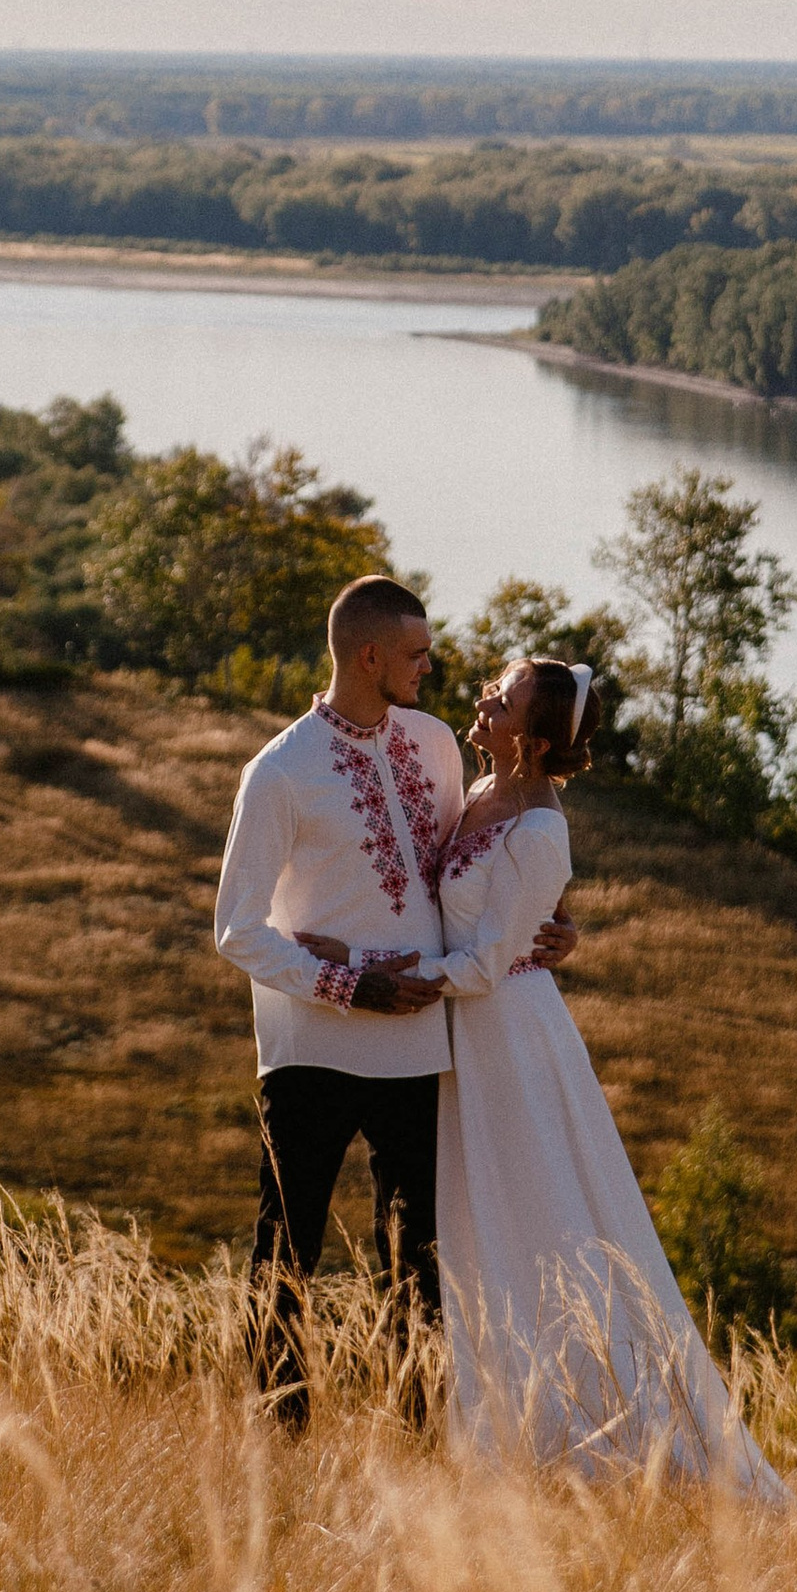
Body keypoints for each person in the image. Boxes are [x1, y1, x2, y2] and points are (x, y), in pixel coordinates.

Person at [212, 573, 576, 1428]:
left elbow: (474, 867)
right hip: (310, 1047)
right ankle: (279, 1435)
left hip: (418, 1043)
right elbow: (236, 931)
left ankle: (420, 1430)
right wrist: (349, 985)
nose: (431, 667)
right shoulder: (280, 773)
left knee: (418, 1255)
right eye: (417, 653)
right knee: (287, 1246)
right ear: (369, 657)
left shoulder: (436, 743)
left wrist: (555, 921)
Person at [430, 656, 789, 1500]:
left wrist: (376, 974)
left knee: (535, 1213)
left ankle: (577, 1429)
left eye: (504, 700)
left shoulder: (540, 830)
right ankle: (481, 1415)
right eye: (496, 691)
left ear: (536, 741)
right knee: (475, 1214)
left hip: (507, 1036)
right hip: (465, 1033)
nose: (485, 700)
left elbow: (486, 960)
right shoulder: (475, 789)